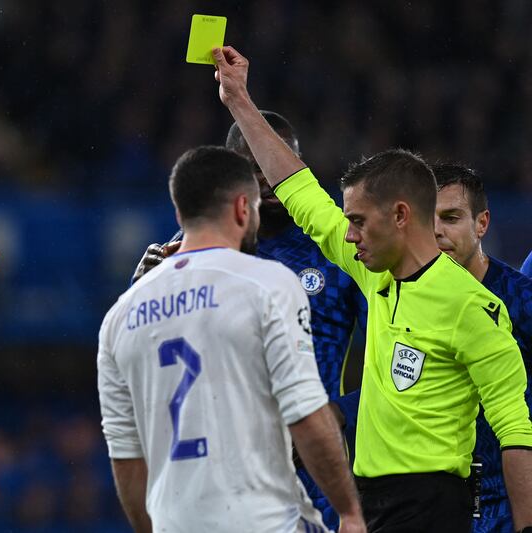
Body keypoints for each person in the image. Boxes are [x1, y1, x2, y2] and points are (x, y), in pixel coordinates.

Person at [211, 45, 532, 531]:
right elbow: (300, 192)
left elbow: (515, 430)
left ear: (400, 217)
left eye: (359, 221)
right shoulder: (372, 272)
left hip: (434, 507)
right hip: (368, 499)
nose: (350, 234)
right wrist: (238, 99)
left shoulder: (475, 307)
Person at [98, 145, 366, 532]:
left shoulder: (120, 315)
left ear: (180, 212)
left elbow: (125, 457)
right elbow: (306, 415)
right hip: (264, 514)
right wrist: (350, 512)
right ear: (244, 208)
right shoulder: (269, 284)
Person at [432, 163, 532, 532]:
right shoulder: (406, 295)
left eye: (451, 217)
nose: (437, 231)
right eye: (429, 219)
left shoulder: (520, 300)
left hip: (506, 500)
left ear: (482, 224)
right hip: (433, 496)